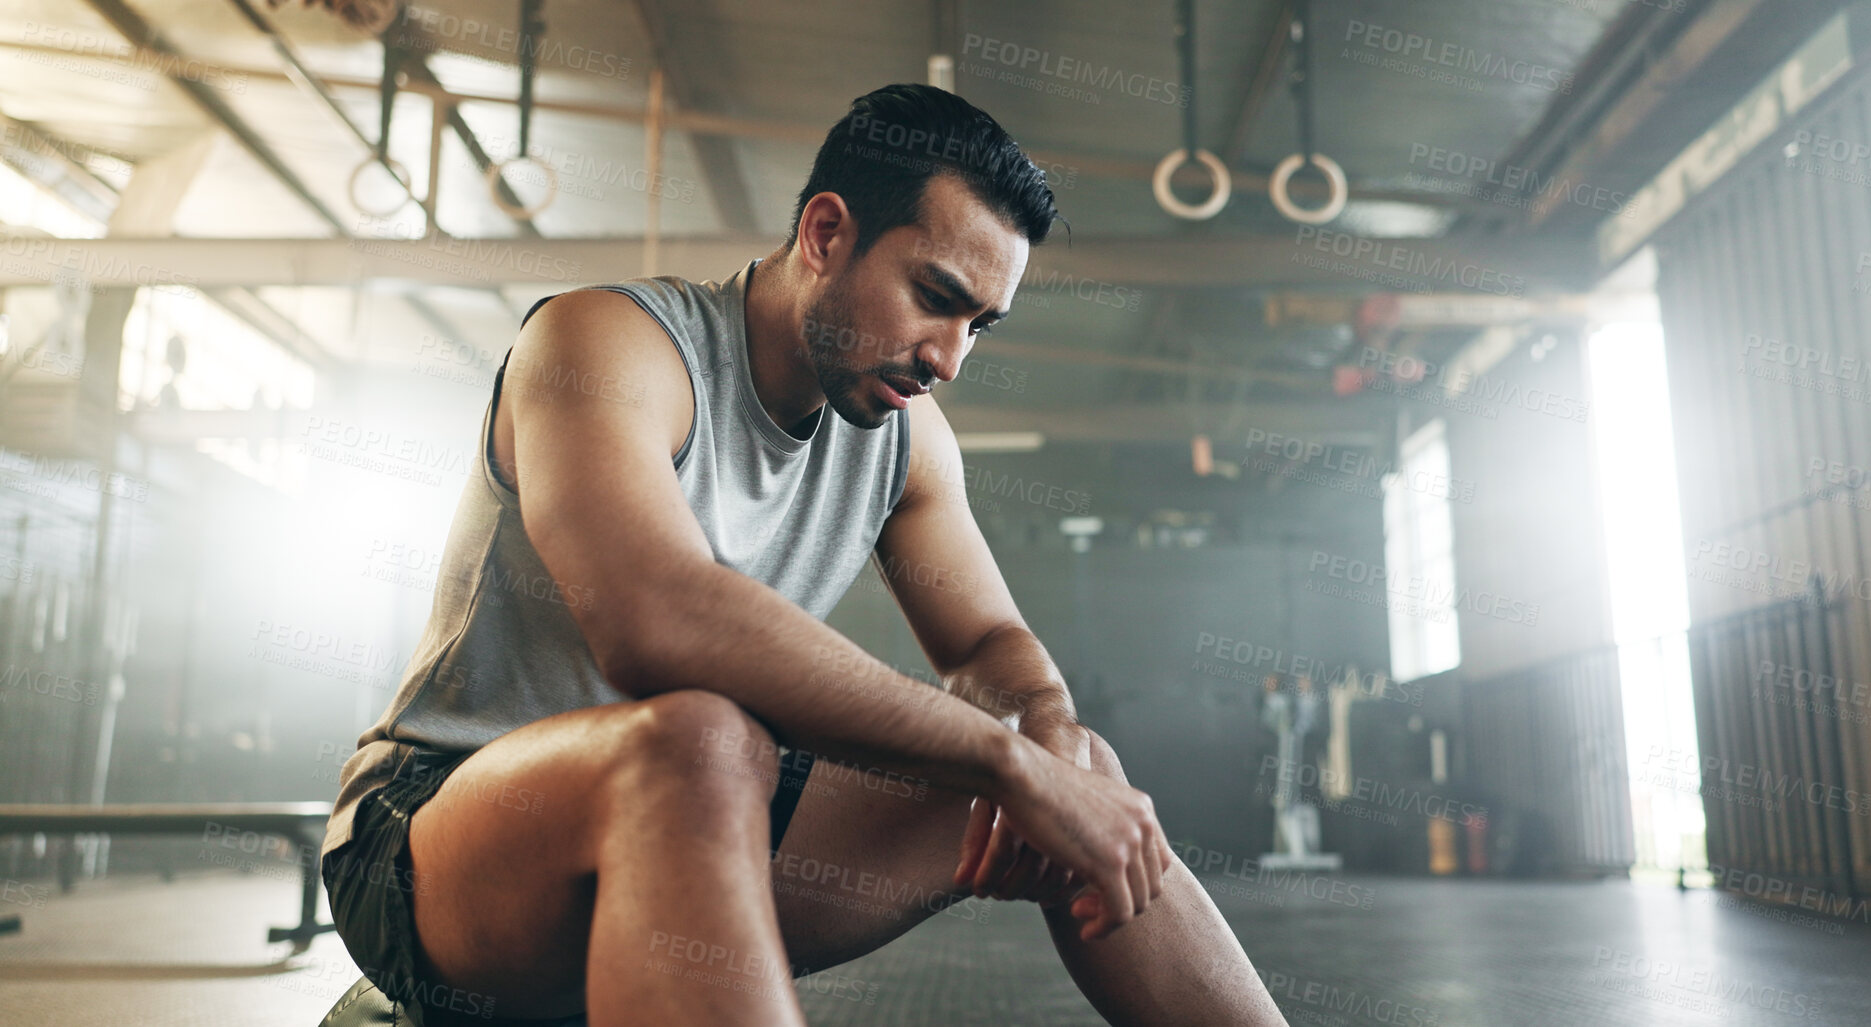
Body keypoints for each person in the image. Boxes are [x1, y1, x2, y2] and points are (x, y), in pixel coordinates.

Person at [319, 83, 1284, 1026]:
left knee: (1083, 777)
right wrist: (1005, 760)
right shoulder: (608, 343)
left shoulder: (906, 436)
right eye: (934, 297)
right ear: (826, 235)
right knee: (699, 738)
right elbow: (656, 619)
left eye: (977, 326)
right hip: (434, 841)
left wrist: (1044, 729)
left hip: (703, 818)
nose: (948, 358)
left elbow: (987, 638)